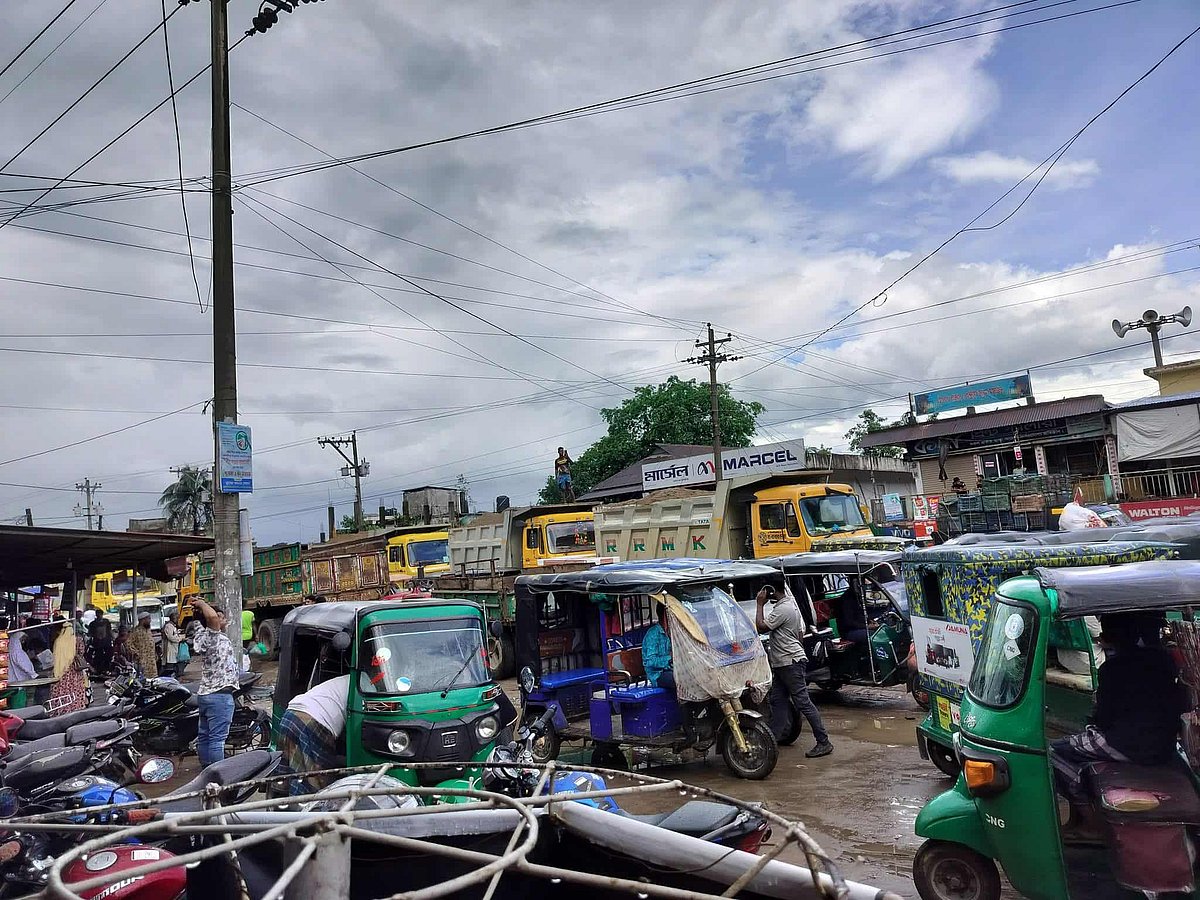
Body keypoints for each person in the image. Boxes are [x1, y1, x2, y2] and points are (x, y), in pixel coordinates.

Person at [1051, 612, 1186, 808]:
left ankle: (1084, 804)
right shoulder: (1164, 662)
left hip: (1124, 744)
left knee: (1053, 751)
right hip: (1162, 747)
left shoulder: (1111, 669)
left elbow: (1104, 720)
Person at [756, 583, 833, 758]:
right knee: (778, 700)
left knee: (802, 702)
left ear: (771, 590)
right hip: (786, 662)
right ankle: (773, 739)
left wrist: (759, 604)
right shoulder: (792, 605)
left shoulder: (783, 609)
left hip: (789, 662)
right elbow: (799, 634)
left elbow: (761, 626)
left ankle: (823, 741)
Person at [277, 673, 351, 793]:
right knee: (316, 778)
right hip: (312, 718)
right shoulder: (366, 685)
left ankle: (280, 807)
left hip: (291, 714)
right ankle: (307, 809)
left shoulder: (347, 679)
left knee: (289, 773)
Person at [191, 599, 241, 767]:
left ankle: (207, 769)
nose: (223, 619)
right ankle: (220, 775)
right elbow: (211, 618)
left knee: (205, 736)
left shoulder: (201, 635)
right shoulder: (212, 636)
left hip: (206, 694)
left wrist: (198, 609)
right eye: (220, 617)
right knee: (217, 740)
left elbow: (201, 620)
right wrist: (203, 604)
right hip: (219, 695)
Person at [641, 606, 697, 745]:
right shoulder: (653, 634)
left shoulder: (673, 632)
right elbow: (650, 661)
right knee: (681, 682)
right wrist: (669, 658)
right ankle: (688, 729)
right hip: (658, 674)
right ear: (665, 616)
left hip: (673, 669)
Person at [47, 620, 90, 714]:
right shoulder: (77, 640)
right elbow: (82, 652)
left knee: (61, 691)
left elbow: (55, 655)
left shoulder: (58, 641)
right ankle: (75, 710)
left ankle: (60, 711)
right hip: (74, 672)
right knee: (74, 691)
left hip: (60, 671)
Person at [127, 611, 158, 677]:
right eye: (148, 619)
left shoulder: (148, 629)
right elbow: (128, 644)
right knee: (143, 679)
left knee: (153, 678)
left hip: (151, 660)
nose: (150, 621)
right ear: (143, 620)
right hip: (142, 660)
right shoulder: (135, 631)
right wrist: (136, 653)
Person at [162, 610, 183, 678]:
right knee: (170, 663)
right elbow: (170, 637)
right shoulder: (169, 626)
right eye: (177, 618)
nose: (177, 620)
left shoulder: (172, 626)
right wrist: (179, 639)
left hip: (173, 648)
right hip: (170, 648)